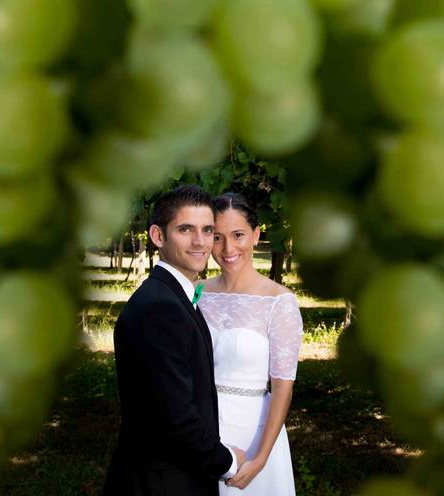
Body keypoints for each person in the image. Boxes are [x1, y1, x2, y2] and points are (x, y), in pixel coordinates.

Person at [103, 185, 245, 496]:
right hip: (163, 482)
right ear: (158, 236)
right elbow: (175, 417)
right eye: (185, 229)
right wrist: (228, 461)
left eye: (208, 230)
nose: (200, 241)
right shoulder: (160, 308)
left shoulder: (171, 296)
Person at [199, 192, 304, 495]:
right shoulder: (196, 293)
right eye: (217, 237)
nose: (228, 248)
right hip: (201, 428)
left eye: (238, 235)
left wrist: (261, 459)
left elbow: (283, 386)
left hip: (252, 434)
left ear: (256, 235)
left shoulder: (279, 301)